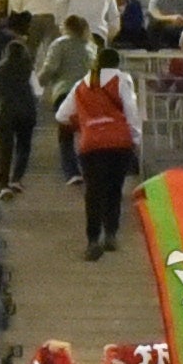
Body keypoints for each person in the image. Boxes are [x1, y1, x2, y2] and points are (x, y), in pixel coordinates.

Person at [61, 43, 144, 258]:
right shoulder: (121, 79)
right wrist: (136, 137)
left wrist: (83, 122)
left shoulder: (82, 83)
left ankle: (92, 240)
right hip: (118, 142)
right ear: (117, 63)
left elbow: (62, 115)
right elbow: (131, 110)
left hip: (91, 143)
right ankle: (110, 234)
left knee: (93, 192)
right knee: (114, 190)